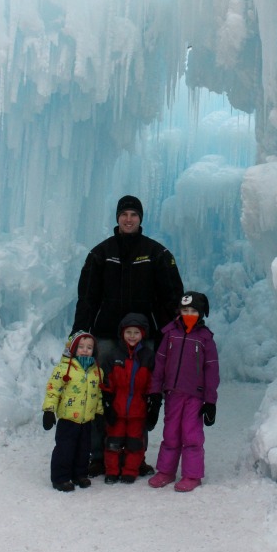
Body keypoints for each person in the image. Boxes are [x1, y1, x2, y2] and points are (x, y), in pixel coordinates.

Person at [71, 194, 184, 475]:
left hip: (144, 337)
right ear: (117, 218)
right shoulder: (101, 254)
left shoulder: (156, 254)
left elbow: (172, 296)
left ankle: (135, 455)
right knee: (103, 395)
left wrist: (173, 332)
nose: (129, 219)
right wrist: (80, 331)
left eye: (134, 214)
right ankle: (99, 455)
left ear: (141, 219)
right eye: (125, 214)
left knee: (140, 394)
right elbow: (87, 297)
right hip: (107, 337)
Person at [146, 291, 219, 493]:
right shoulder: (170, 334)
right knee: (170, 433)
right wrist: (154, 391)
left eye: (193, 311)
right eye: (185, 310)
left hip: (195, 396)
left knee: (191, 434)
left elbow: (212, 370)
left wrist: (210, 401)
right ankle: (166, 471)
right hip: (172, 394)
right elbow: (160, 363)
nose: (188, 314)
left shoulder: (205, 338)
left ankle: (192, 474)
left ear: (201, 313)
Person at [42, 331, 103, 492]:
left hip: (86, 419)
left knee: (84, 449)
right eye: (81, 347)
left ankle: (80, 474)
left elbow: (98, 394)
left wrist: (99, 413)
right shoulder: (63, 369)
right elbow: (53, 389)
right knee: (65, 449)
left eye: (89, 347)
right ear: (74, 349)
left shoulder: (96, 371)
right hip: (68, 419)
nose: (85, 350)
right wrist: (49, 410)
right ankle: (60, 478)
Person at [101, 312, 155, 483]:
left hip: (137, 411)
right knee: (113, 443)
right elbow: (107, 382)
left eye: (136, 332)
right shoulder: (114, 355)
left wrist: (153, 405)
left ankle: (130, 471)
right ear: (122, 333)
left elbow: (152, 384)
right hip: (117, 409)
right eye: (128, 332)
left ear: (143, 334)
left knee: (135, 443)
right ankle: (112, 471)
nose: (132, 336)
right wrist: (107, 403)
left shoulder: (147, 357)